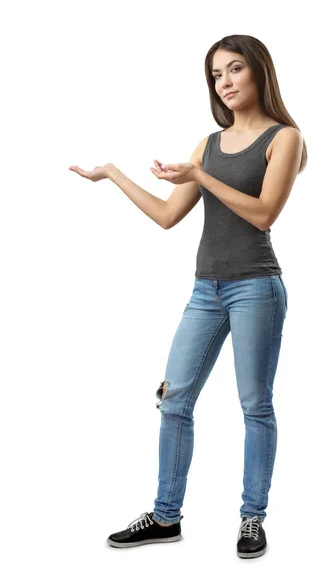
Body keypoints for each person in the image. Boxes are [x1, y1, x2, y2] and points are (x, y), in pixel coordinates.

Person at [69, 34, 306, 559]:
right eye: (216, 75)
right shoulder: (208, 144)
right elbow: (167, 216)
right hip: (206, 290)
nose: (224, 83)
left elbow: (265, 213)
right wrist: (113, 174)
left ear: (259, 73)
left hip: (256, 288)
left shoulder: (284, 138)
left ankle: (251, 518)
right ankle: (165, 515)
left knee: (254, 404)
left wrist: (201, 175)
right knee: (173, 398)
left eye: (234, 69)